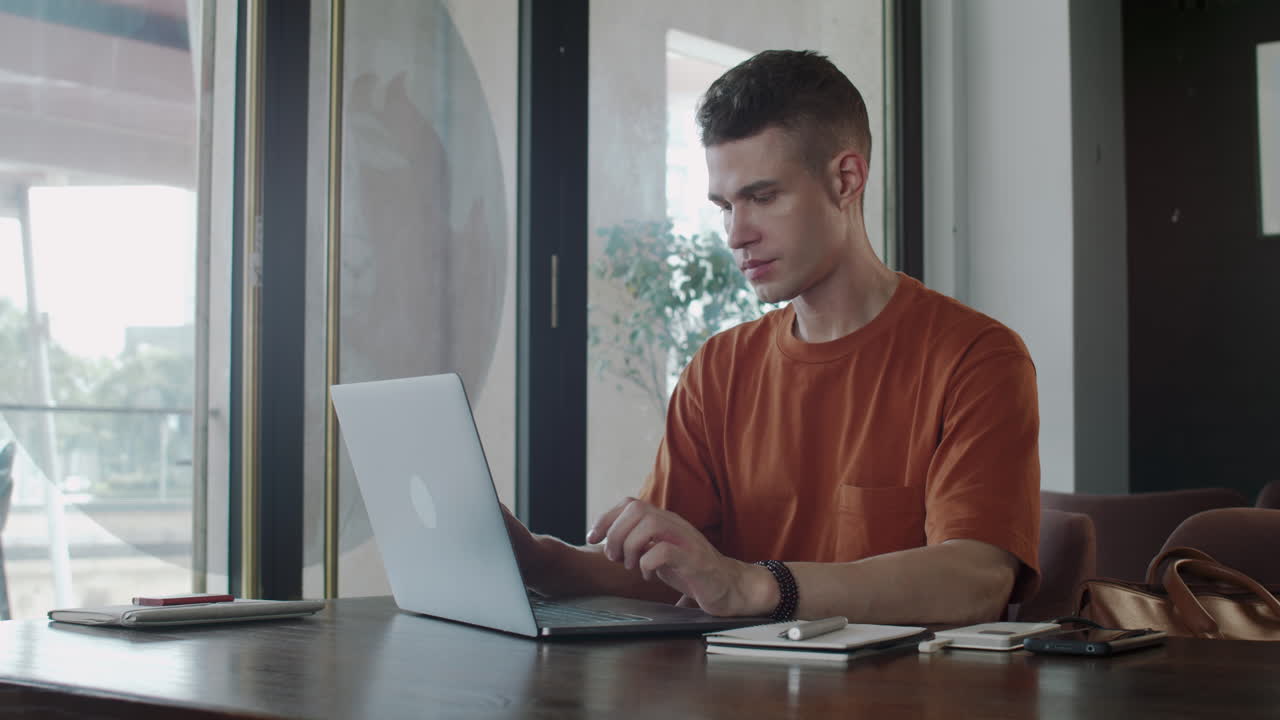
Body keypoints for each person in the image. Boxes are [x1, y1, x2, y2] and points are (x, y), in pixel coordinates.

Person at [505, 49, 1040, 625]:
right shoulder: (719, 367)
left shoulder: (976, 358)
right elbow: (663, 570)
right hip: (734, 678)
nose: (736, 234)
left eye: (763, 198)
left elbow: (976, 581)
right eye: (724, 206)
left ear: (846, 179)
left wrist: (754, 586)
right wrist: (537, 560)